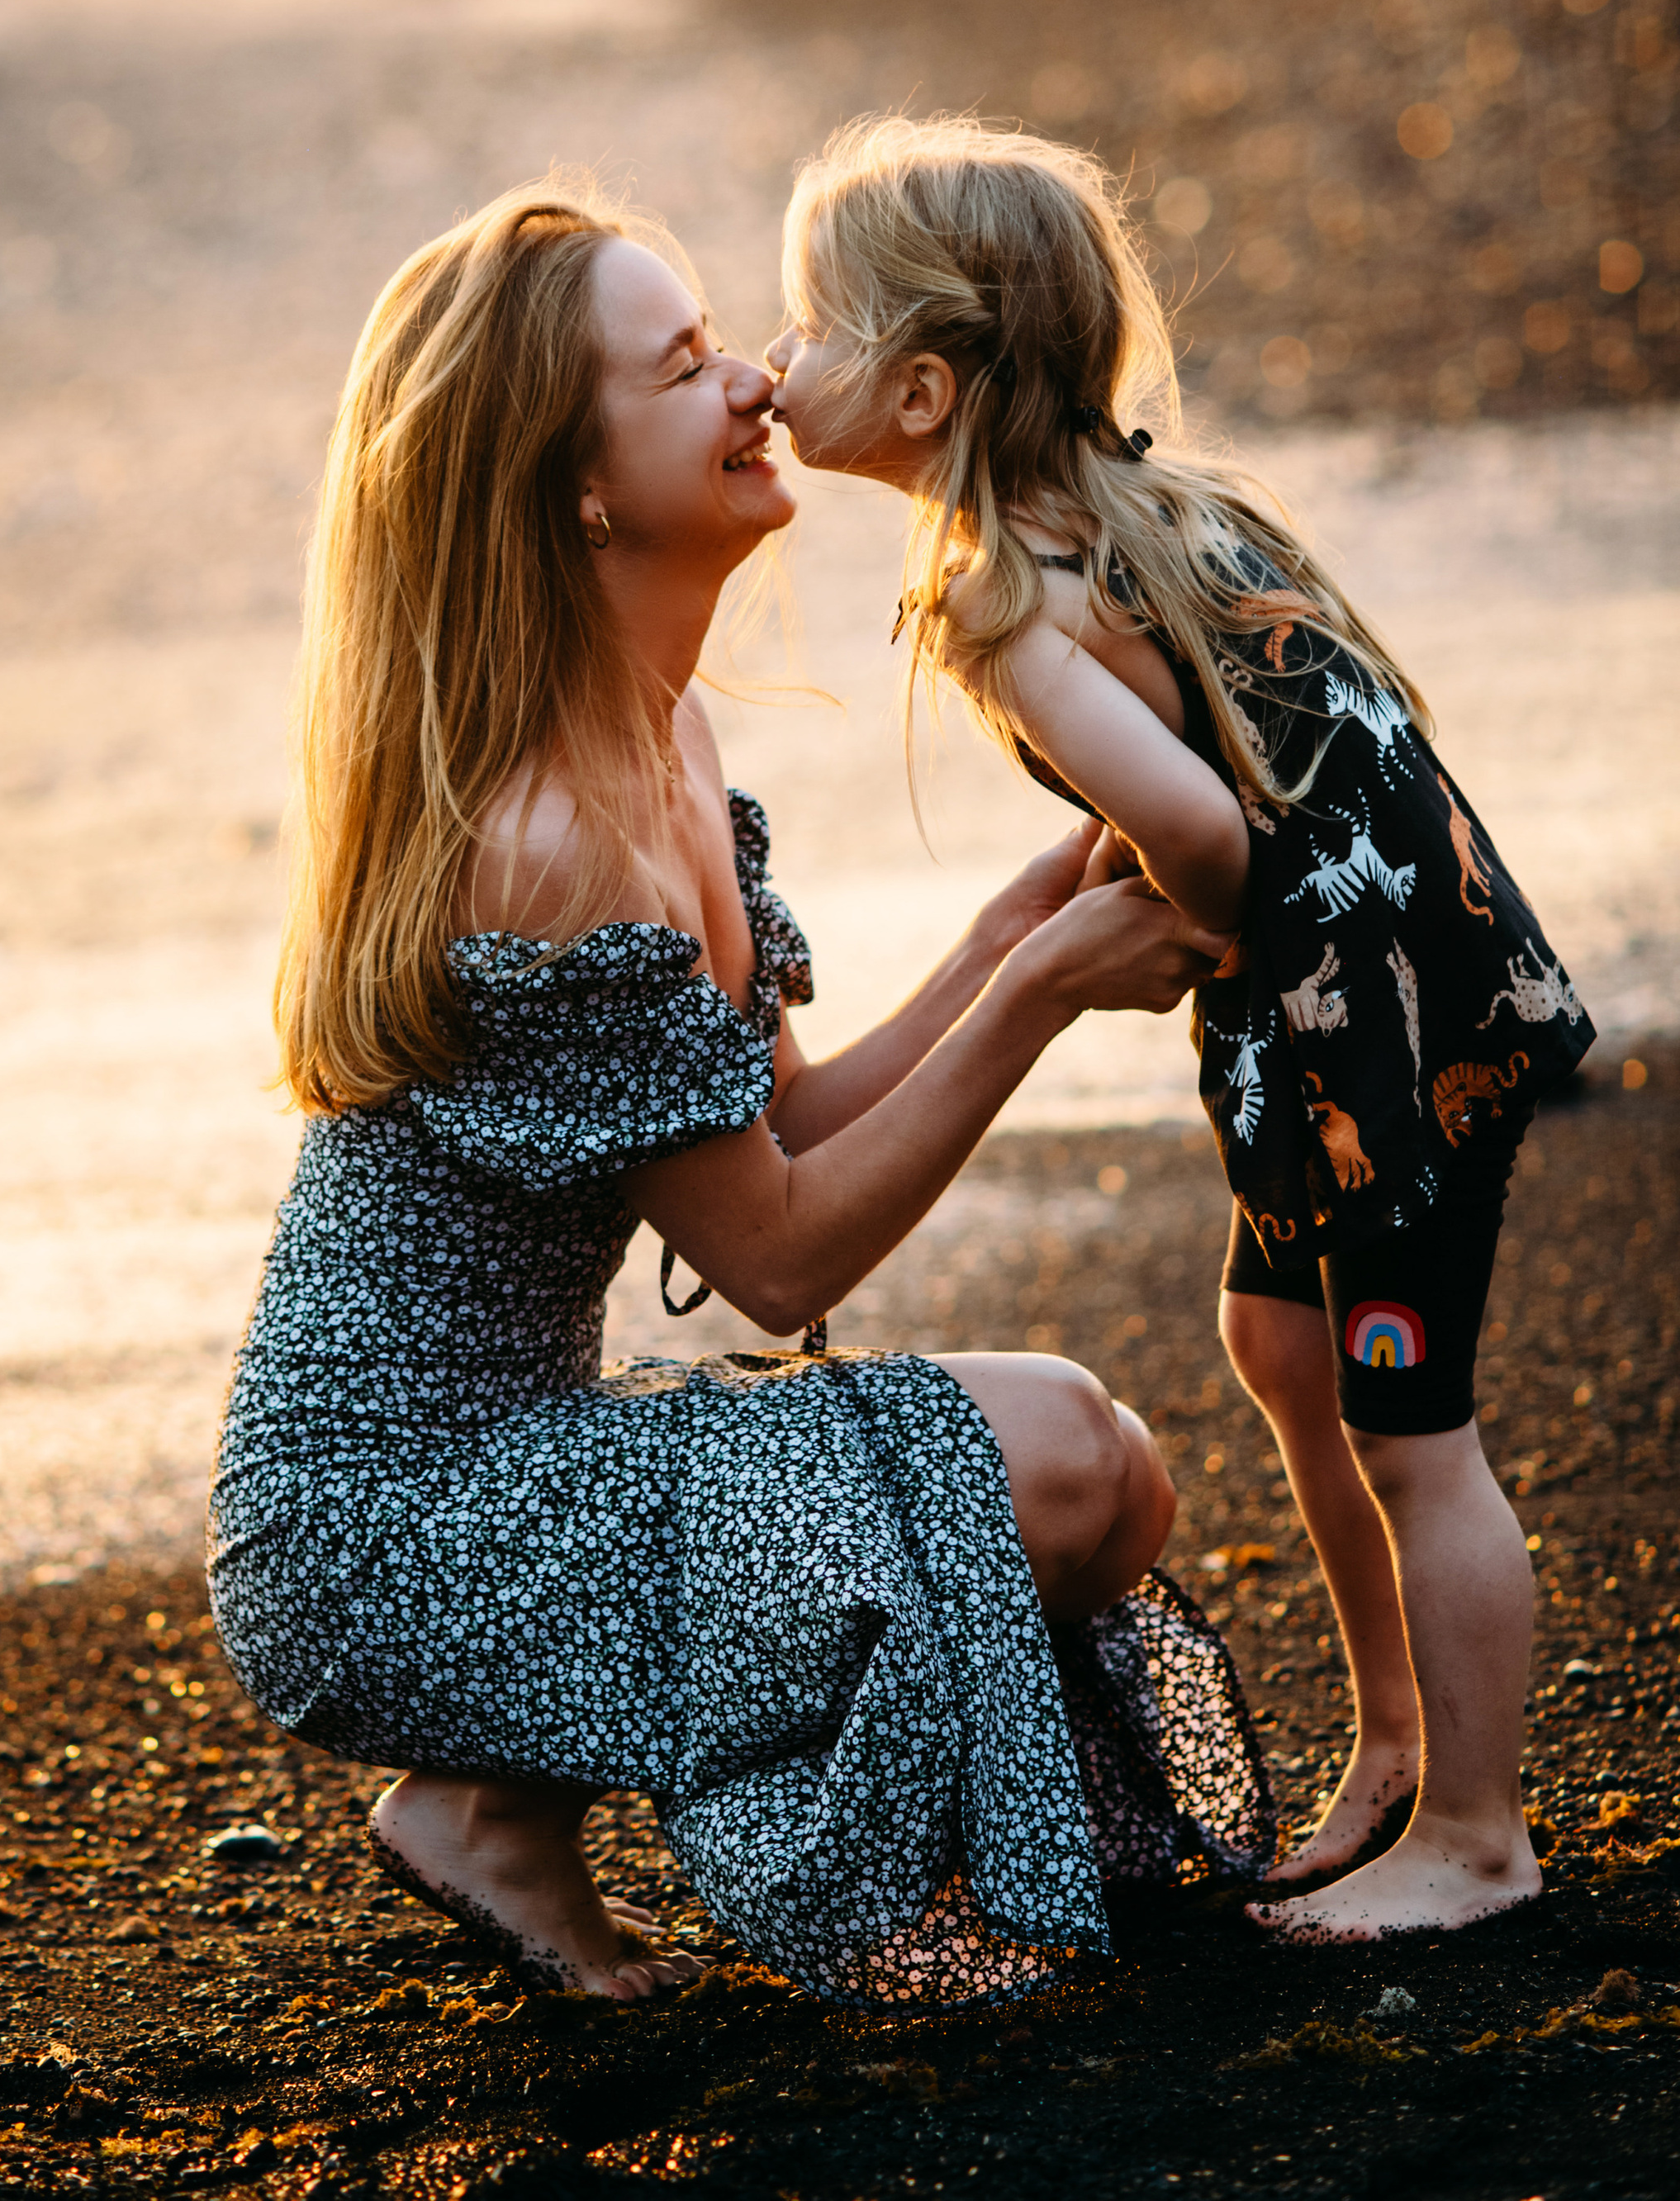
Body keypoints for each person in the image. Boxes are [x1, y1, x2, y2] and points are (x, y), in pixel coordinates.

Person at [209, 176, 1266, 2010]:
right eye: (687, 364)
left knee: (1096, 1470)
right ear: (577, 485)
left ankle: (492, 1816)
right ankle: (491, 1790)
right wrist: (1031, 998)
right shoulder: (549, 839)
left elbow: (771, 1133)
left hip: (518, 1473)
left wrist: (994, 934)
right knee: (1079, 1468)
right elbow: (774, 1262)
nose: (755, 389)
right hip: (382, 1536)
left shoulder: (662, 740)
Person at [766, 113, 1593, 1946]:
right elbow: (1244, 744)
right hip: (1357, 984)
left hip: (1372, 1036)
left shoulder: (1002, 603)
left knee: (1410, 1429)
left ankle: (1475, 1833)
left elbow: (1213, 838)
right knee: (1273, 1343)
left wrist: (1168, 906)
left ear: (914, 394)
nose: (768, 365)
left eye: (801, 329)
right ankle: (1390, 1750)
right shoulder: (1145, 506)